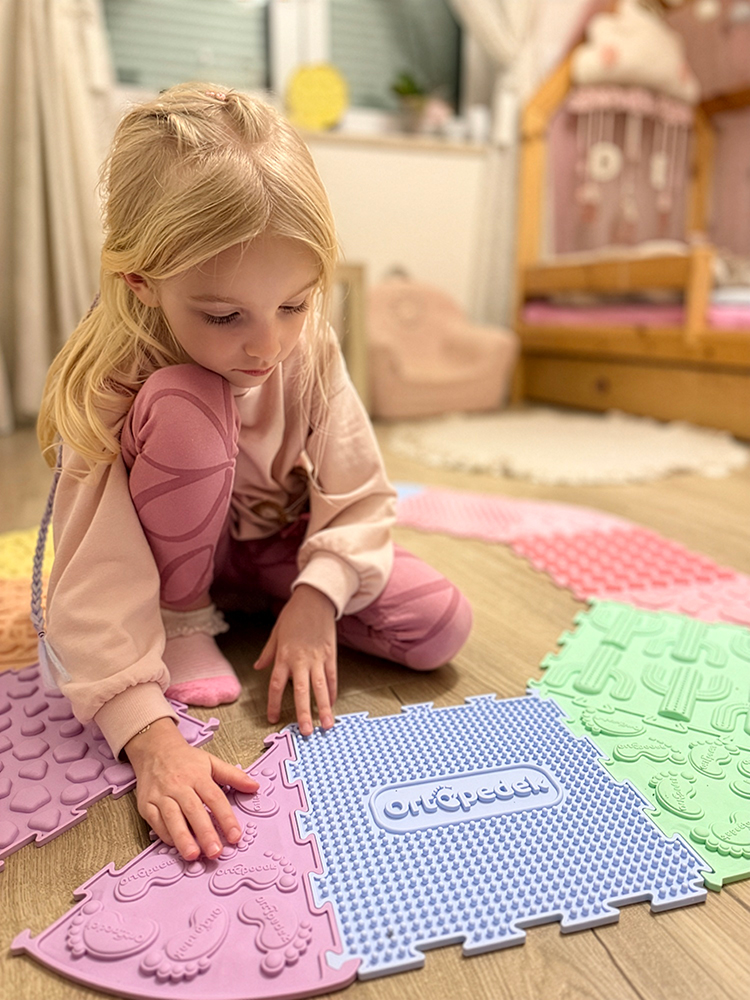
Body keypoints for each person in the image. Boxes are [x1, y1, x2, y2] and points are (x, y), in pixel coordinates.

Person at [37, 83, 472, 864]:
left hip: (270, 544)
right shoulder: (118, 372)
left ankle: (250, 606)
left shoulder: (308, 348)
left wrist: (317, 596)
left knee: (440, 623)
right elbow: (91, 569)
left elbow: (361, 491)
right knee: (188, 402)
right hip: (164, 567)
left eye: (294, 305)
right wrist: (148, 736)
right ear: (142, 281)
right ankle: (184, 617)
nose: (267, 346)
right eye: (224, 315)